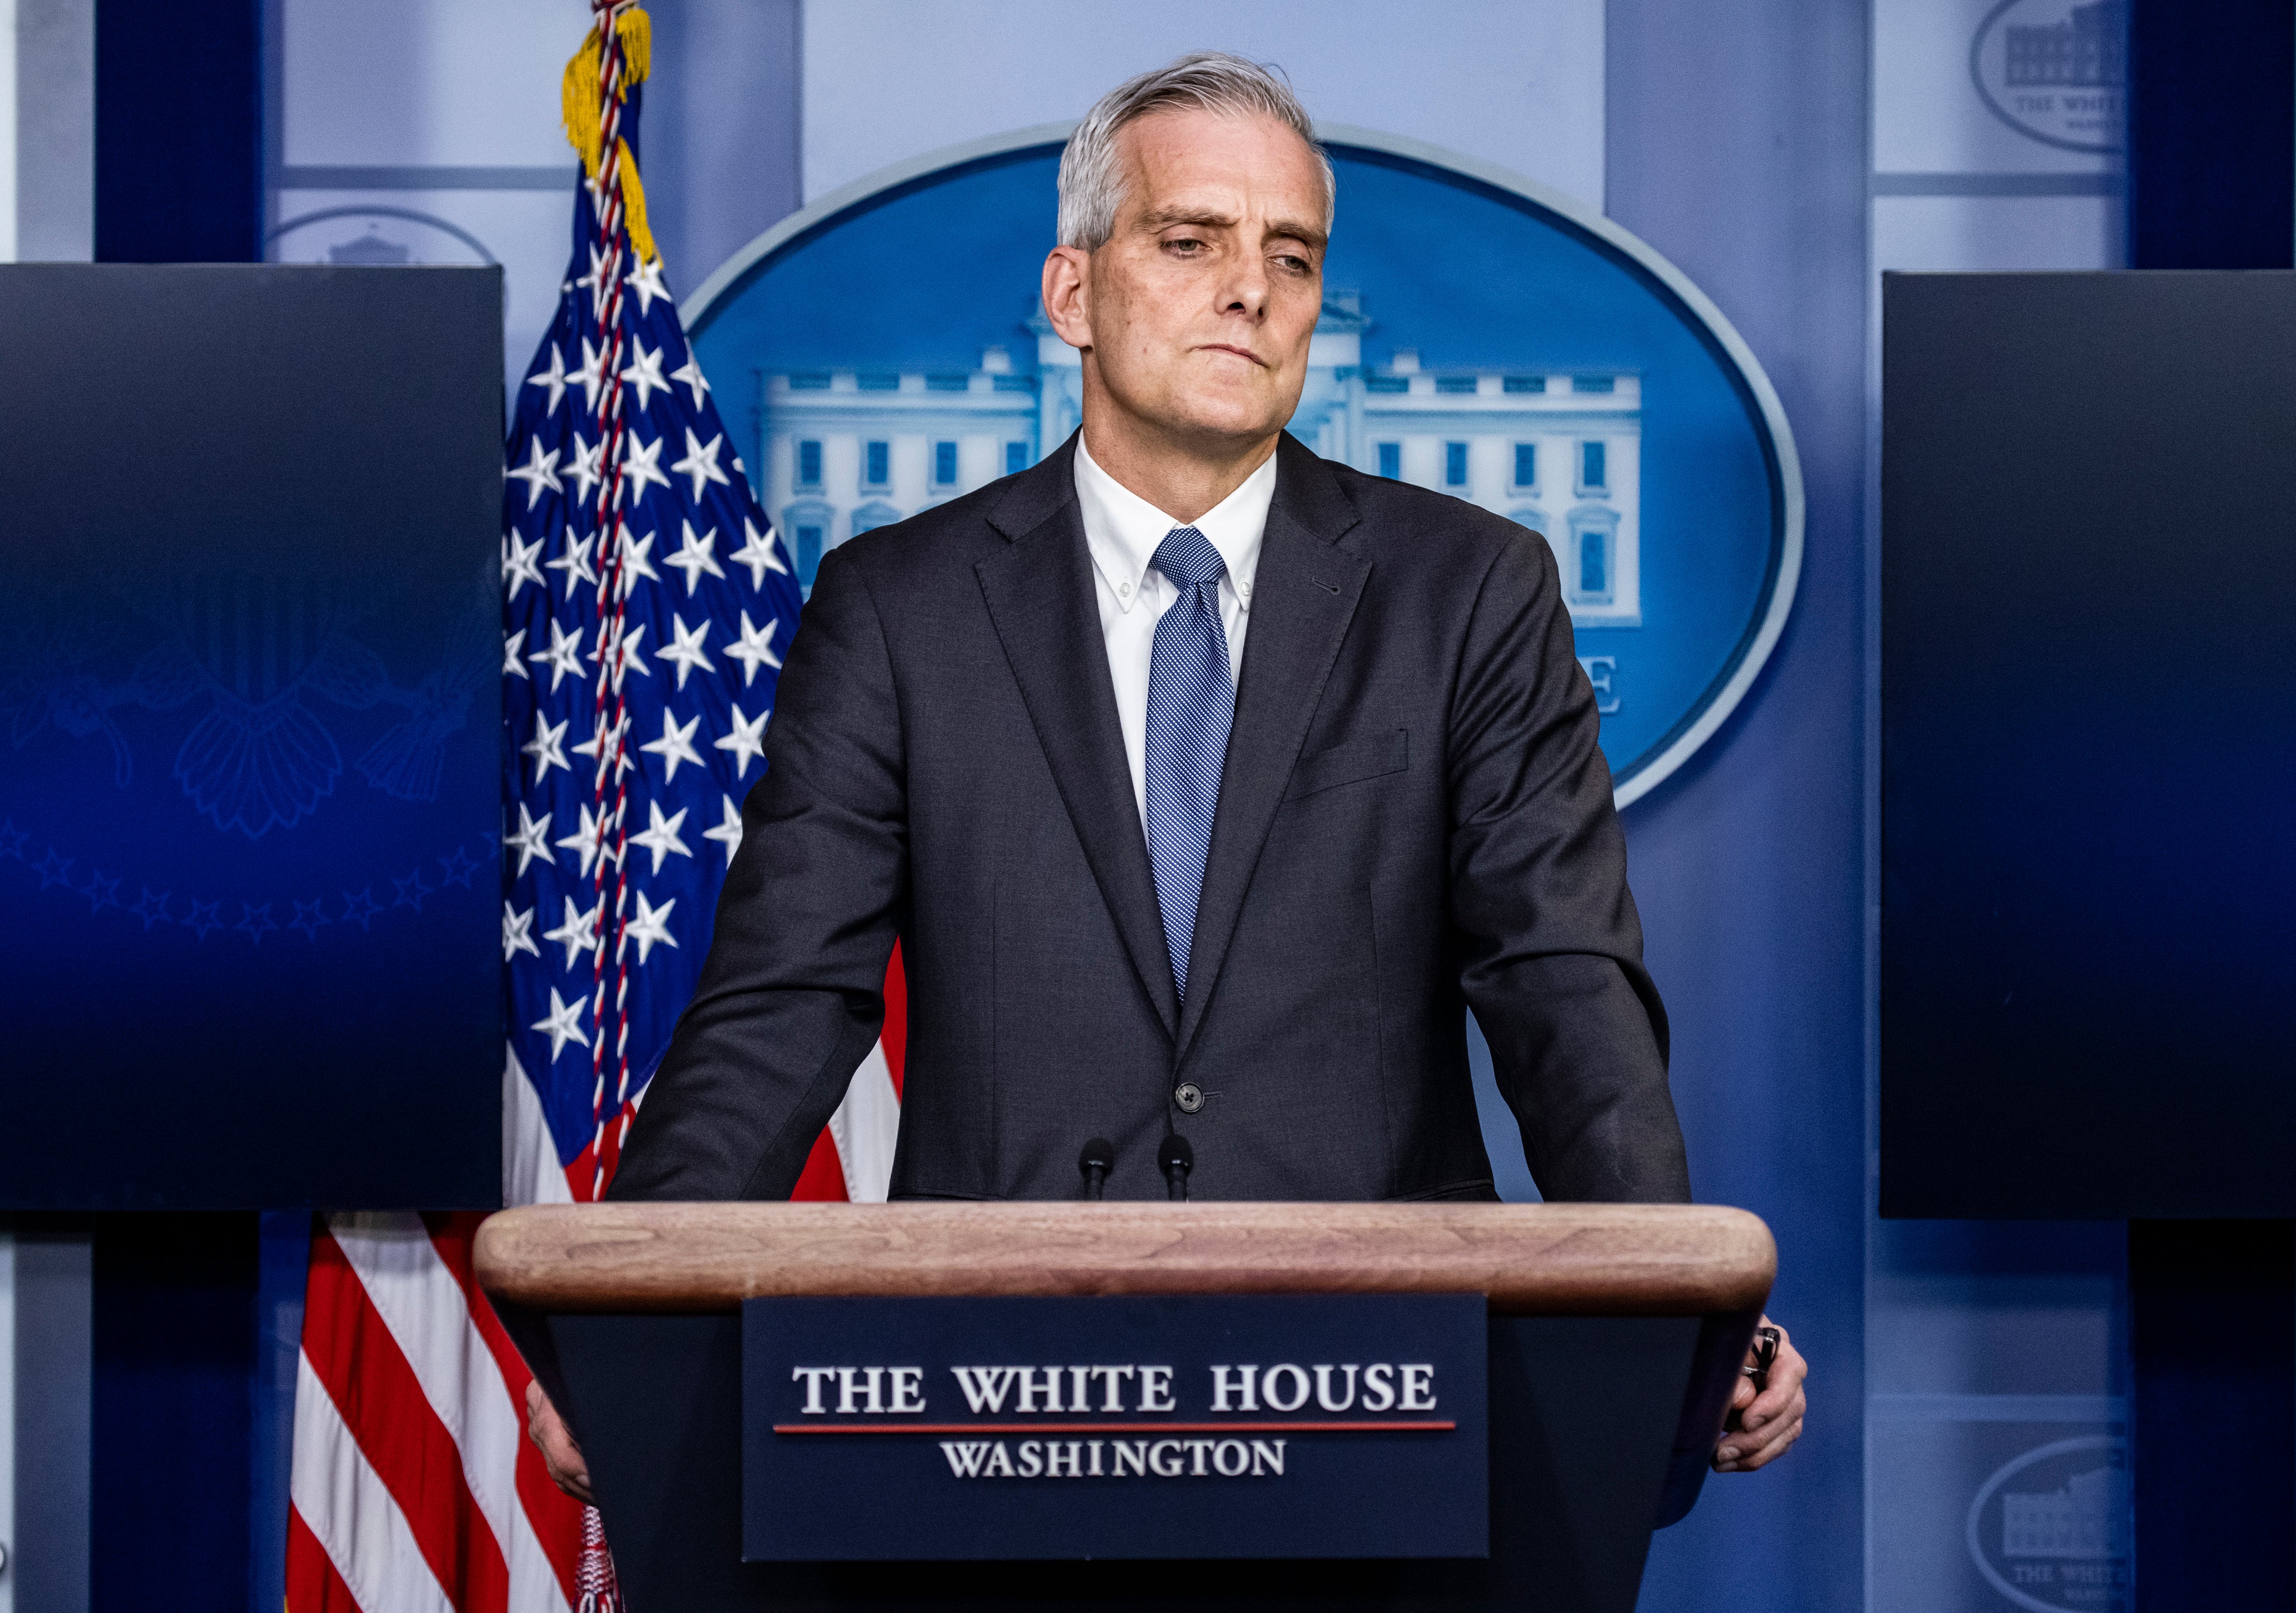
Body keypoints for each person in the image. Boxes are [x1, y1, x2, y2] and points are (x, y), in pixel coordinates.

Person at [527, 51, 1805, 1495]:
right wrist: (619, 1320)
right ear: (1073, 293)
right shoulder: (899, 605)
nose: (1248, 289)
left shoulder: (1470, 592)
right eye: (1189, 241)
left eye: (1290, 255)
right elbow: (778, 1006)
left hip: (1382, 1398)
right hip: (987, 1400)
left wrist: (1681, 1314)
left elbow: (1563, 987)